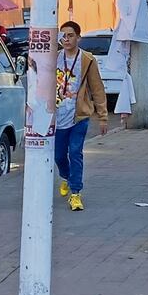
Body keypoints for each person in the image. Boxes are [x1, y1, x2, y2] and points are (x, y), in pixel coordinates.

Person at [54, 20, 108, 211]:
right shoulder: (53, 57)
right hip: (58, 116)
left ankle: (76, 193)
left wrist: (103, 116)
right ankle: (66, 176)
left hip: (79, 115)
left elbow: (97, 89)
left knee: (75, 152)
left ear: (78, 37)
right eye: (63, 36)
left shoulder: (87, 59)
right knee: (59, 156)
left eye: (70, 35)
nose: (66, 39)